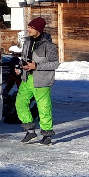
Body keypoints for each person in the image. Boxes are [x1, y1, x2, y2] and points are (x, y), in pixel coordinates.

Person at [16, 17, 59, 145]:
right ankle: (30, 131)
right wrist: (20, 67)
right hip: (27, 78)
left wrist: (37, 66)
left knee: (44, 107)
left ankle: (47, 135)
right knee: (20, 102)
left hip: (42, 80)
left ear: (38, 29)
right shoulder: (27, 42)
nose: (28, 30)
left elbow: (55, 64)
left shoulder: (49, 46)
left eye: (31, 28)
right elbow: (24, 58)